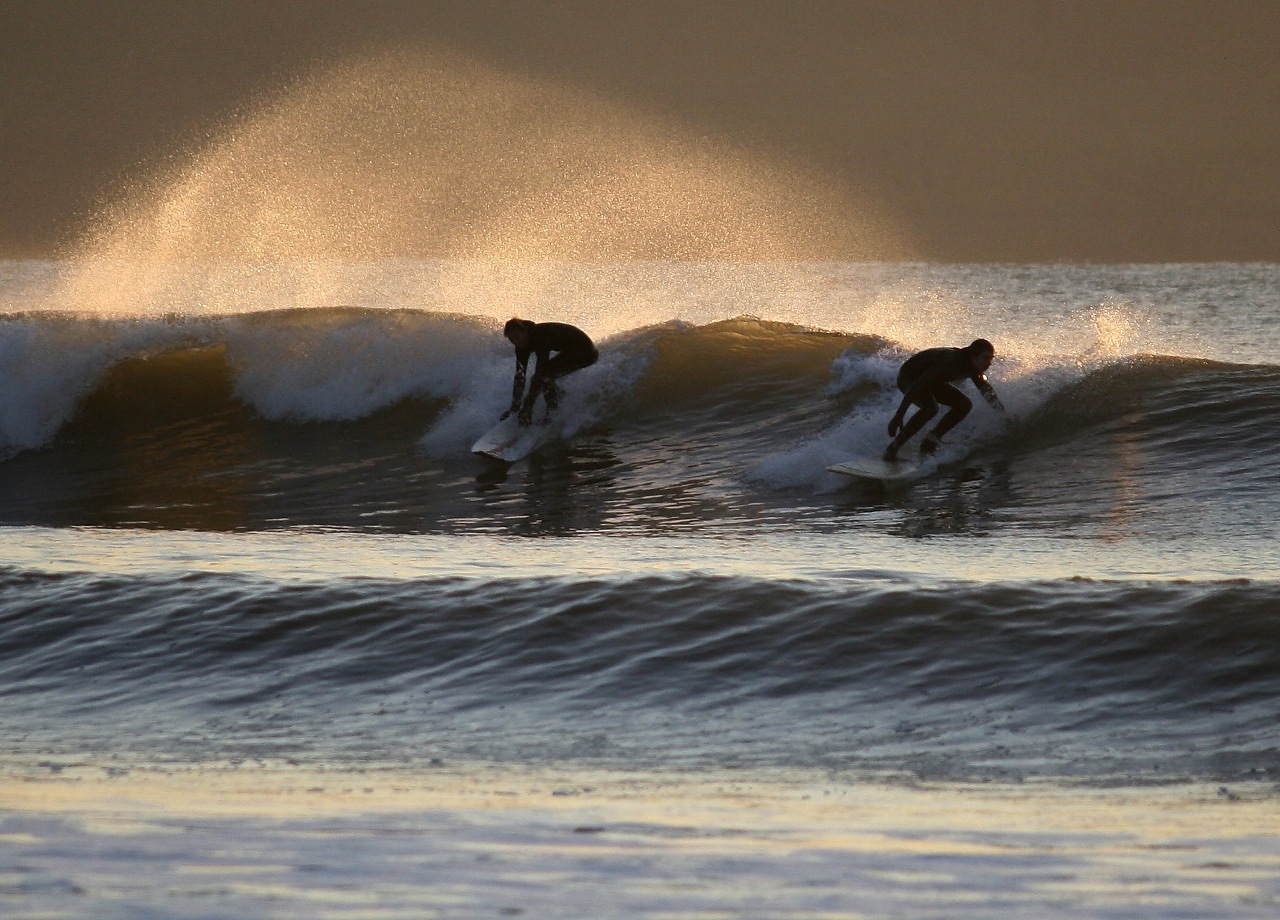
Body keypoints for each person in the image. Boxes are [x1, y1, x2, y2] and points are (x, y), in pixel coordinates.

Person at [883, 338, 1005, 461]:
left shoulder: (974, 368)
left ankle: (931, 440)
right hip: (909, 377)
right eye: (986, 358)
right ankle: (893, 448)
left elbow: (988, 394)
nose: (989, 363)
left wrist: (1003, 415)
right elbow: (915, 387)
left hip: (932, 381)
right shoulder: (951, 362)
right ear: (974, 356)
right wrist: (898, 417)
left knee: (964, 405)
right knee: (930, 408)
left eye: (991, 358)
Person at [502, 318, 598, 425]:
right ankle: (558, 396)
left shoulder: (539, 336)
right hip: (570, 351)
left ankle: (552, 412)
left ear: (525, 332)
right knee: (545, 376)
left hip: (587, 353)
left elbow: (541, 372)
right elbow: (520, 376)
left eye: (517, 337)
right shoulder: (520, 346)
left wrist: (527, 406)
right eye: (511, 340)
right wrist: (514, 408)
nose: (516, 342)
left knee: (544, 375)